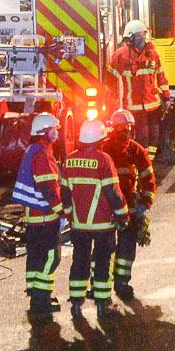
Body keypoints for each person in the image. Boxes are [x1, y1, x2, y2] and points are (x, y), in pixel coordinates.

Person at [56, 117, 127, 318]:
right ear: (100, 140)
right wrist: (122, 216)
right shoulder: (104, 160)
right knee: (103, 261)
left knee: (80, 261)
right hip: (103, 224)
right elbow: (113, 192)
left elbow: (65, 193)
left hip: (79, 226)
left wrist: (70, 216)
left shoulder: (69, 160)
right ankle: (102, 301)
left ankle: (77, 302)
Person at [9, 111, 64, 322]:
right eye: (54, 130)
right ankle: (41, 301)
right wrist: (61, 211)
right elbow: (48, 188)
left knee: (36, 258)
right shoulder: (41, 154)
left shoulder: (33, 150)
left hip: (33, 218)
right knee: (51, 258)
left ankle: (35, 296)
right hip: (44, 217)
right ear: (46, 132)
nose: (57, 133)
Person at [99, 108, 158, 304]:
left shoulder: (135, 150)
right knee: (111, 248)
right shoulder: (105, 149)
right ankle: (110, 286)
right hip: (113, 207)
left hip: (122, 207)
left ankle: (118, 284)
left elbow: (147, 178)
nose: (126, 131)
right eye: (123, 127)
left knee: (122, 247)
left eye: (128, 127)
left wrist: (145, 201)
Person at [107, 24, 168, 152]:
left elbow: (161, 76)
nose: (142, 38)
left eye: (143, 35)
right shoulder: (120, 55)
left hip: (153, 105)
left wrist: (166, 97)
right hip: (133, 106)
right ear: (130, 38)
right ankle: (142, 163)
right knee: (142, 137)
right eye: (139, 35)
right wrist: (114, 101)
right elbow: (111, 80)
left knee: (154, 137)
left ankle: (148, 163)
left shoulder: (152, 54)